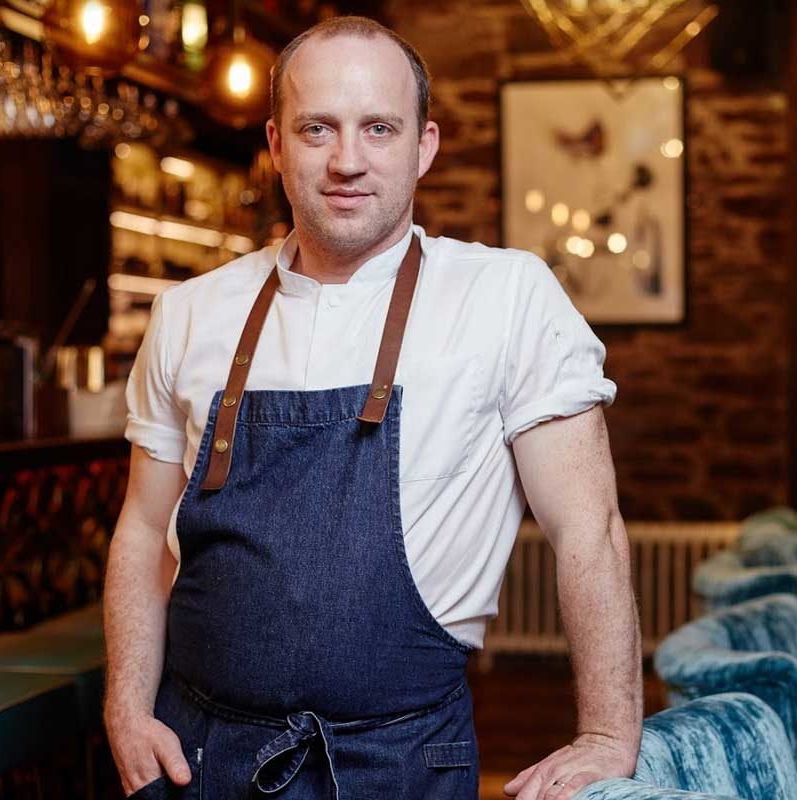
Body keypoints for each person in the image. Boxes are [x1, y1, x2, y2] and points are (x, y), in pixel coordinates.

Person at [102, 15, 641, 800]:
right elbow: (144, 529)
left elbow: (588, 530)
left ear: (423, 146)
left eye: (377, 129)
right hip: (199, 760)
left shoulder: (509, 298)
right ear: (277, 145)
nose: (346, 161)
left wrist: (607, 734)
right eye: (317, 128)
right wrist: (125, 706)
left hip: (405, 767)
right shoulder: (189, 313)